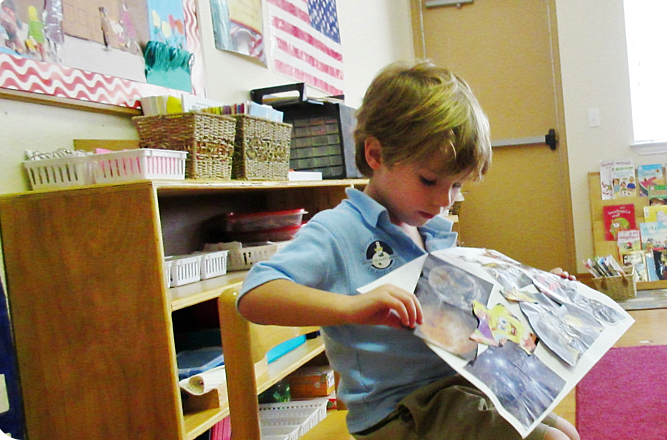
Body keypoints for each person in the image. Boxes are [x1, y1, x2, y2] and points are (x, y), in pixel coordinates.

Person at [236, 61, 579, 440]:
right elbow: (254, 295)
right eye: (430, 180)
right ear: (375, 156)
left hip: (452, 388)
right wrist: (350, 309)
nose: (443, 200)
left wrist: (533, 294)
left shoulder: (427, 228)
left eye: (456, 186)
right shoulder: (338, 230)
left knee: (564, 430)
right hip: (397, 413)